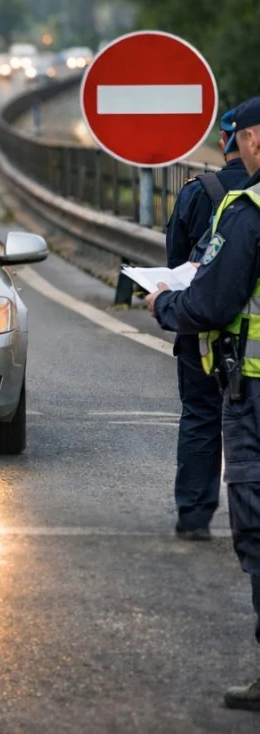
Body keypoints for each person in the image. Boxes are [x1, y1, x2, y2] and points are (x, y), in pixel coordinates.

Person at [146, 96, 260, 711]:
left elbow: (193, 280)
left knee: (203, 424)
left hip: (229, 359)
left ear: (240, 140)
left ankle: (195, 513)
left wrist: (166, 306)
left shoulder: (224, 202)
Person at [163, 107, 251, 542]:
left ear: (226, 141)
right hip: (250, 348)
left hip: (201, 334)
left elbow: (175, 262)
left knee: (200, 415)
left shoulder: (199, 192)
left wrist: (166, 305)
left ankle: (195, 516)